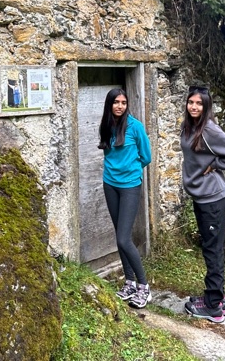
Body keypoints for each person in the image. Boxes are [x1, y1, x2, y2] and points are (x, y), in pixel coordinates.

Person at [181, 85, 225, 322]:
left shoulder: (209, 130)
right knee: (212, 247)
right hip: (203, 197)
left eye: (199, 104)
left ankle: (213, 306)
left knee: (212, 250)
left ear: (206, 106)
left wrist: (217, 165)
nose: (194, 106)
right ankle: (217, 298)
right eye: (191, 102)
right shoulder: (191, 126)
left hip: (213, 200)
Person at [98, 87, 153, 308]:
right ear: (110, 104)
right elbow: (108, 153)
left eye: (123, 102)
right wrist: (114, 171)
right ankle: (129, 283)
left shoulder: (135, 127)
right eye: (116, 102)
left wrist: (131, 169)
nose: (120, 106)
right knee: (120, 236)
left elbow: (146, 156)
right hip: (110, 184)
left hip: (130, 186)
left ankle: (144, 287)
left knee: (123, 239)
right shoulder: (107, 126)